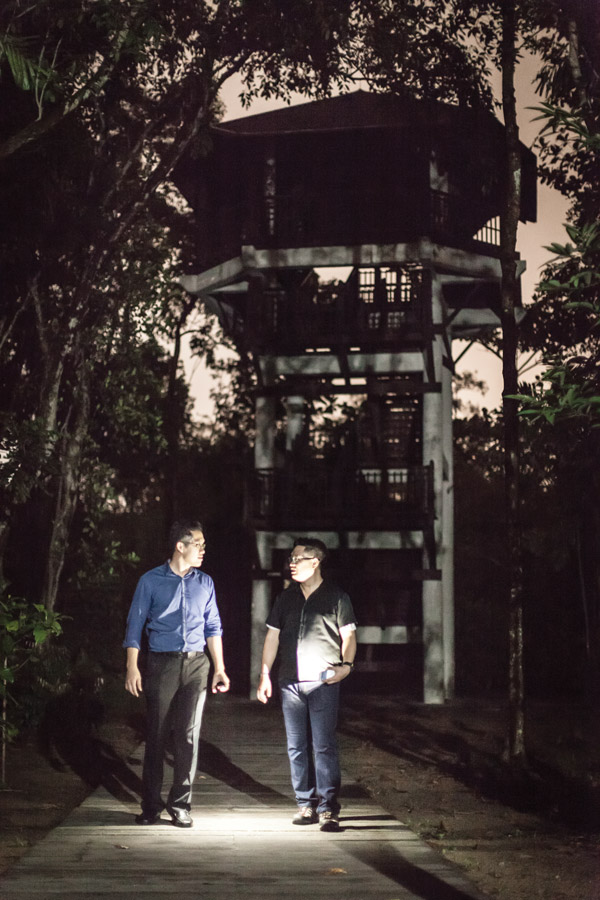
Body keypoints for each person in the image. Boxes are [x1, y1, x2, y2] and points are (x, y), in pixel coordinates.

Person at [124, 520, 230, 828]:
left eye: (204, 544)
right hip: (162, 663)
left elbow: (213, 627)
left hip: (198, 664)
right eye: (197, 544)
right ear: (179, 546)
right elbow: (135, 626)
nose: (203, 550)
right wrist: (132, 666)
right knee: (156, 734)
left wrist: (220, 668)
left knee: (188, 736)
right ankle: (150, 805)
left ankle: (181, 804)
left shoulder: (205, 583)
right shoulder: (150, 581)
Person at [257, 538, 357, 832]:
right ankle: (305, 803)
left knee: (323, 745)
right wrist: (264, 674)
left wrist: (346, 667)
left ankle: (329, 808)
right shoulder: (285, 599)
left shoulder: (337, 597)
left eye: (298, 558)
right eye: (291, 558)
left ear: (315, 562)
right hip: (290, 682)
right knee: (296, 746)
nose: (292, 563)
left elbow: (349, 637)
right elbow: (272, 638)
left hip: (323, 681)